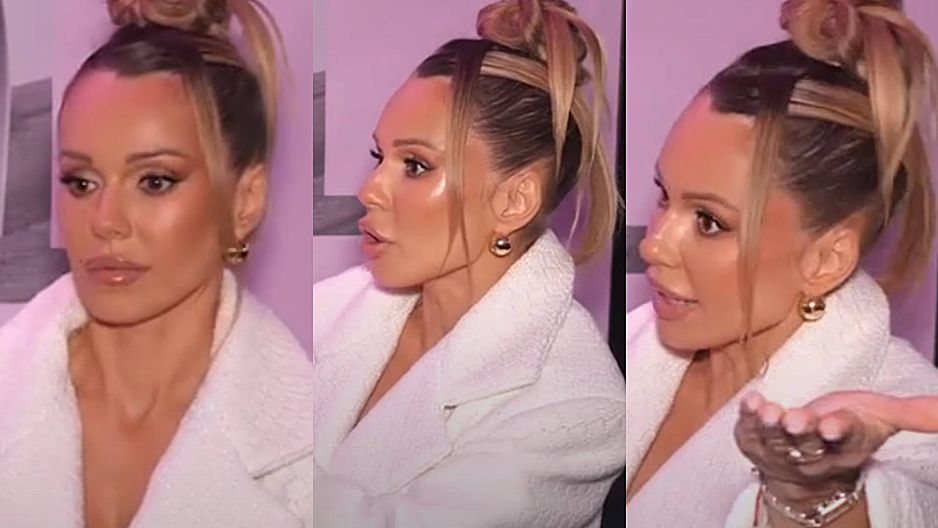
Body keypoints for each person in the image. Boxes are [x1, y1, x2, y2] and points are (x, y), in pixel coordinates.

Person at [310, 0, 625, 526]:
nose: (369, 191)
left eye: (415, 165)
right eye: (379, 157)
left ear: (514, 201)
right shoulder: (330, 309)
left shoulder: (577, 405)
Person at [625, 0, 938, 526]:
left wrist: (816, 498)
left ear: (825, 260)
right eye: (663, 195)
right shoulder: (630, 349)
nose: (654, 245)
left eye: (709, 221)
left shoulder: (907, 415)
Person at [0, 0, 313, 526]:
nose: (105, 221)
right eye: (82, 182)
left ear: (245, 202)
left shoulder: (319, 452)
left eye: (154, 181)